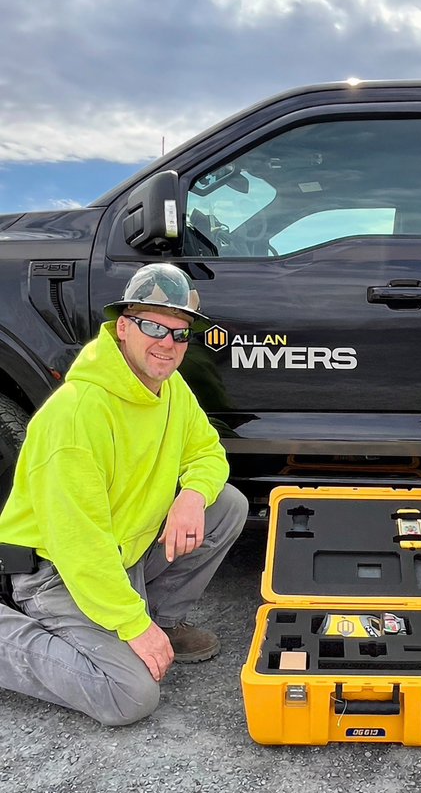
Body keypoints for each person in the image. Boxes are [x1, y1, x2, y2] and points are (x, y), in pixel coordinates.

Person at [0, 263, 248, 726]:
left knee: (225, 505)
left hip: (121, 555)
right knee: (129, 695)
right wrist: (133, 627)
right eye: (154, 326)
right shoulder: (77, 415)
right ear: (123, 328)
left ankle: (164, 622)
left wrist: (192, 495)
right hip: (59, 574)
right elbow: (80, 547)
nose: (167, 343)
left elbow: (209, 452)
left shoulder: (170, 388)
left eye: (180, 333)